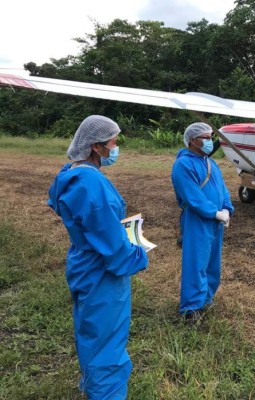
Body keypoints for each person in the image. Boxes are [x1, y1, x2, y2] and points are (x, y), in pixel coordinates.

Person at [48, 115, 149, 399]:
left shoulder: (70, 175)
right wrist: (138, 255)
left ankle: (92, 385)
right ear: (96, 147)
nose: (116, 148)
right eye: (113, 142)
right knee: (108, 342)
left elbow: (91, 226)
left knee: (90, 332)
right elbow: (114, 249)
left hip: (83, 263)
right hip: (102, 272)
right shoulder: (92, 184)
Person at [171, 122, 234, 324]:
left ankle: (206, 298)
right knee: (195, 263)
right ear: (192, 140)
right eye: (205, 138)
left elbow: (222, 188)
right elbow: (192, 196)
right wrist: (213, 213)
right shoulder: (183, 164)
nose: (209, 141)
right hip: (197, 220)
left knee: (212, 262)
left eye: (209, 137)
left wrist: (226, 208)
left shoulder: (210, 163)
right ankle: (191, 308)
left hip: (216, 220)